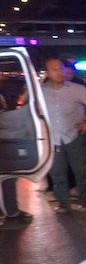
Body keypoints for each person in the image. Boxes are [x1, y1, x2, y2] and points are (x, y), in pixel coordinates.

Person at [42, 57, 86, 214]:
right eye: (54, 69)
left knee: (81, 170)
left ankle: (83, 200)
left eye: (61, 68)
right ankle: (63, 203)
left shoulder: (76, 89)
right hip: (53, 139)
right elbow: (29, 105)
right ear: (47, 73)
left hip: (74, 135)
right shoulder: (40, 92)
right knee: (57, 173)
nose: (59, 72)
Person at [0, 78, 34, 228]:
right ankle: (11, 212)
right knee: (7, 179)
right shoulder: (16, 112)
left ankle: (10, 211)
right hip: (7, 149)